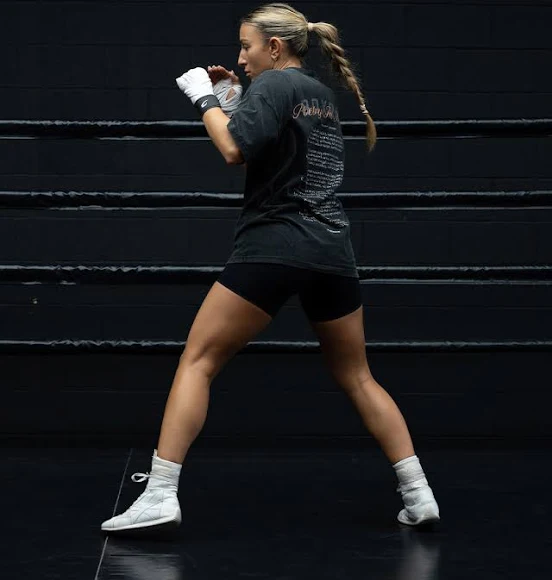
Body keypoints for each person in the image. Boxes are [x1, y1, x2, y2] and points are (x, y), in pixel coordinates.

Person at [101, 2, 440, 536]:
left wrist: (204, 99)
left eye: (247, 46)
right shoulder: (319, 95)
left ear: (275, 47)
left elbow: (233, 149)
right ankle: (419, 494)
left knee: (198, 360)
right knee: (357, 375)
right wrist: (237, 100)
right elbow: (276, 149)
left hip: (275, 245)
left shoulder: (276, 85)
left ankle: (160, 494)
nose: (241, 57)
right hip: (332, 252)